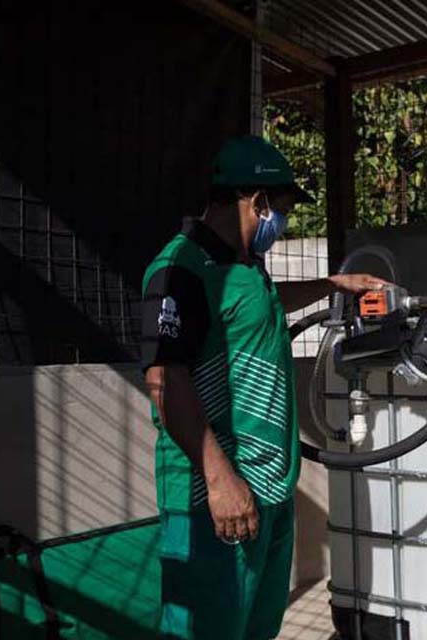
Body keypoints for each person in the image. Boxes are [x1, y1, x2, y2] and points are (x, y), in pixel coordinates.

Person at [140, 135, 385, 639]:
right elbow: (166, 379)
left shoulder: (246, 266)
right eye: (284, 210)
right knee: (206, 629)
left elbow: (260, 303)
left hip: (269, 490)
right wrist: (220, 480)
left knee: (255, 628)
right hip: (212, 496)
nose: (283, 223)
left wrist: (333, 286)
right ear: (257, 202)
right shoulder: (179, 268)